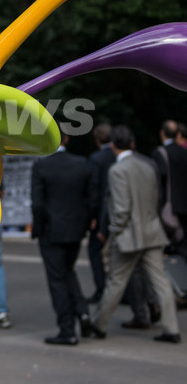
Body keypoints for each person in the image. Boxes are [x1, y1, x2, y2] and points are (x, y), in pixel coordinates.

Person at [90, 125, 180, 343]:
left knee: (116, 281)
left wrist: (112, 235)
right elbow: (157, 199)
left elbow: (120, 210)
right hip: (152, 231)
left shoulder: (117, 170)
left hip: (129, 236)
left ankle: (99, 324)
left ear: (112, 145)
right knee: (161, 281)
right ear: (132, 143)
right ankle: (172, 329)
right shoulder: (148, 164)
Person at [31, 129, 92, 345]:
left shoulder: (41, 166)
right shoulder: (82, 164)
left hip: (51, 231)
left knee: (57, 278)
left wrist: (37, 230)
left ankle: (67, 330)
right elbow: (90, 199)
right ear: (67, 139)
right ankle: (83, 312)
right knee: (68, 272)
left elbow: (37, 204)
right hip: (75, 230)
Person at [151, 119, 187, 258]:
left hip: (168, 205)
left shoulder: (160, 153)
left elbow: (159, 179)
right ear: (177, 134)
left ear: (162, 133)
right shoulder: (184, 152)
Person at [87, 122, 115, 302]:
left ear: (97, 139)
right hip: (120, 211)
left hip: (102, 213)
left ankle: (102, 288)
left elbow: (94, 191)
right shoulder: (118, 156)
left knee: (95, 252)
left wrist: (93, 217)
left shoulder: (96, 159)